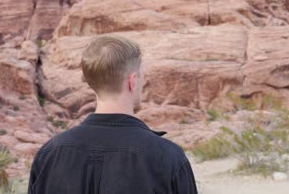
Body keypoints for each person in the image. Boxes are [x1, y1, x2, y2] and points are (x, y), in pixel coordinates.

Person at [28, 35, 198, 194]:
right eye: (141, 76)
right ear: (132, 81)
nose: (143, 83)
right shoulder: (168, 158)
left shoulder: (48, 155)